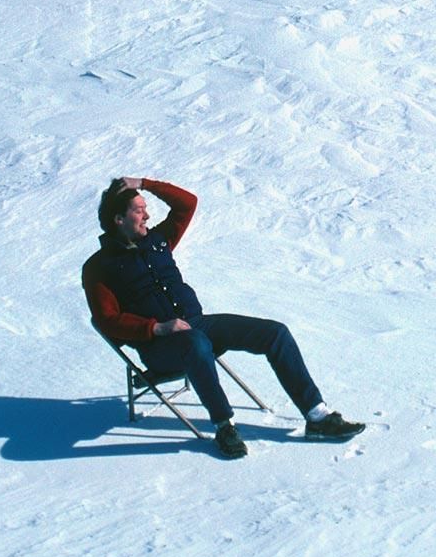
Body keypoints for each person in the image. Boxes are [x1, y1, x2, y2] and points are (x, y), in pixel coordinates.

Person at [83, 176, 365, 459]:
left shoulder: (157, 240)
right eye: (139, 210)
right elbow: (108, 320)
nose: (147, 214)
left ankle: (317, 417)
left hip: (199, 324)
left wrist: (143, 183)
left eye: (145, 208)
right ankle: (224, 426)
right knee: (195, 343)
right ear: (119, 219)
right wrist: (157, 328)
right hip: (161, 347)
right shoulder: (99, 267)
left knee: (275, 333)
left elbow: (187, 204)